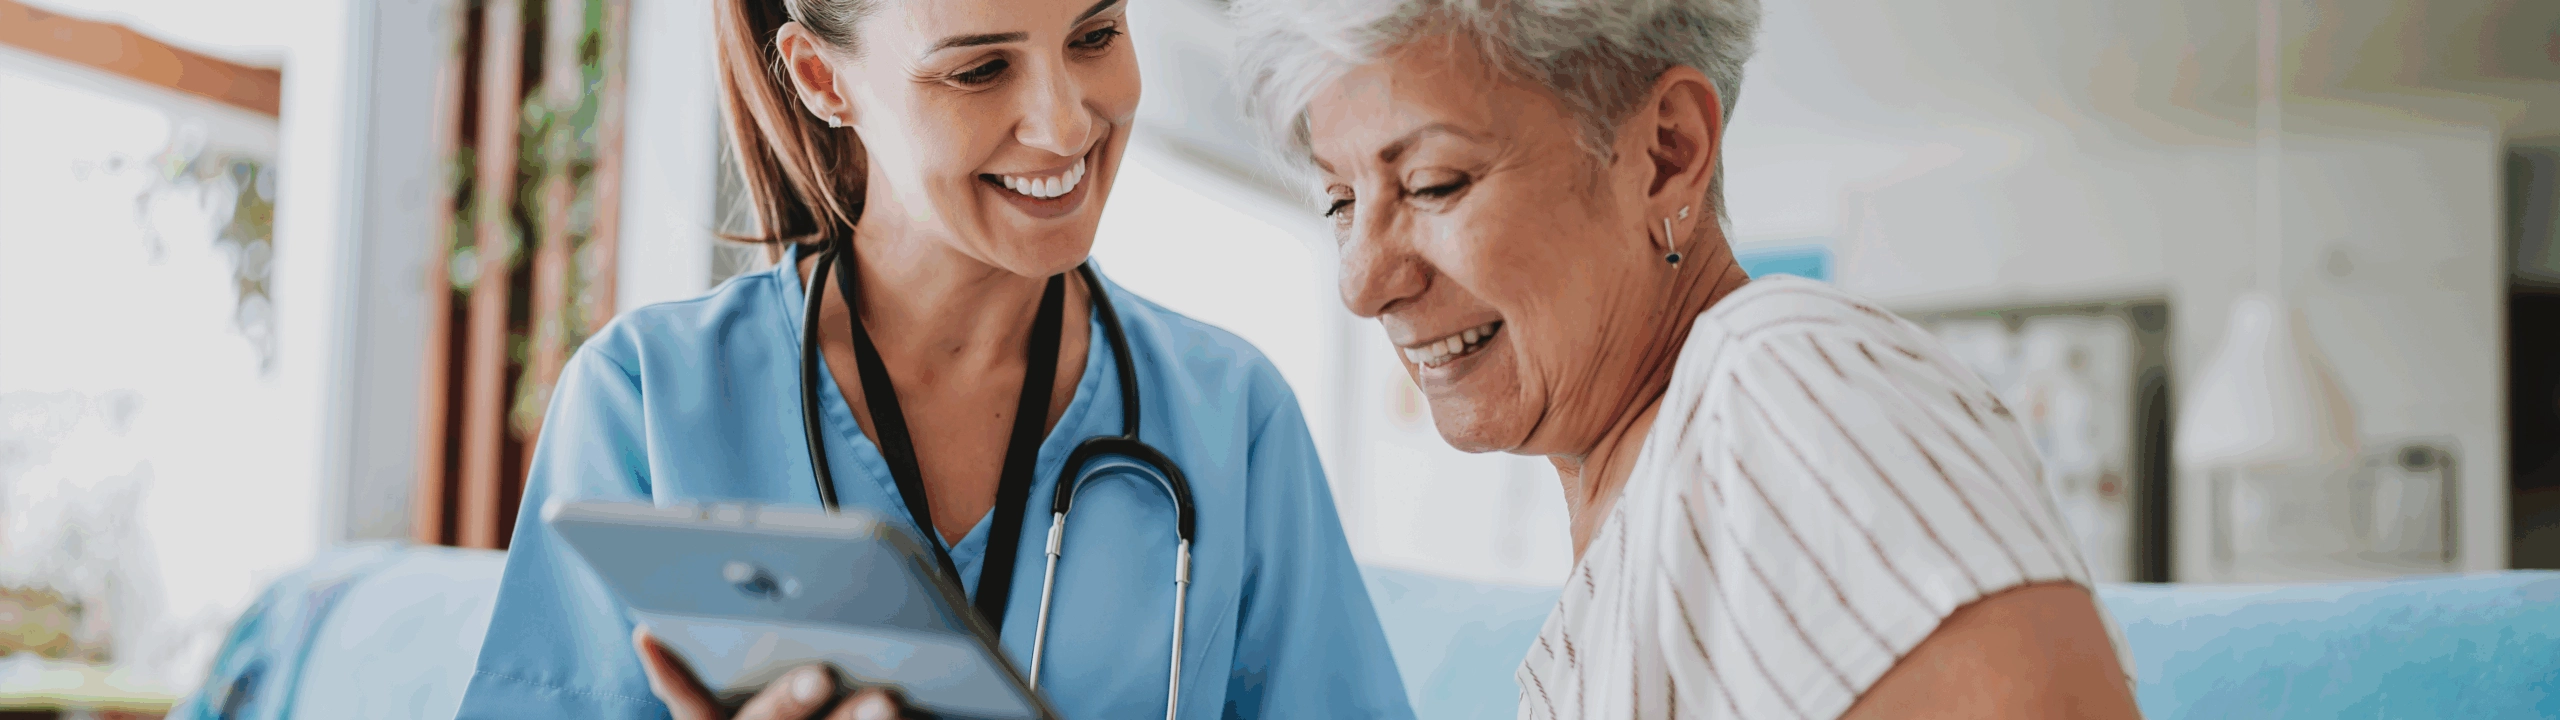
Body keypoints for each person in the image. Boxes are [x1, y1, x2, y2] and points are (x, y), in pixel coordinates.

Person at [453, 0, 1413, 717]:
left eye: (1095, 36)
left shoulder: (1229, 418)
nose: (1068, 124)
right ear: (824, 80)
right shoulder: (646, 402)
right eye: (979, 70)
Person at [1232, 0, 2145, 717]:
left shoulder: (1777, 392)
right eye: (1341, 202)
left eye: (1433, 183)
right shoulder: (1633, 530)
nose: (1362, 282)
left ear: (1668, 152)